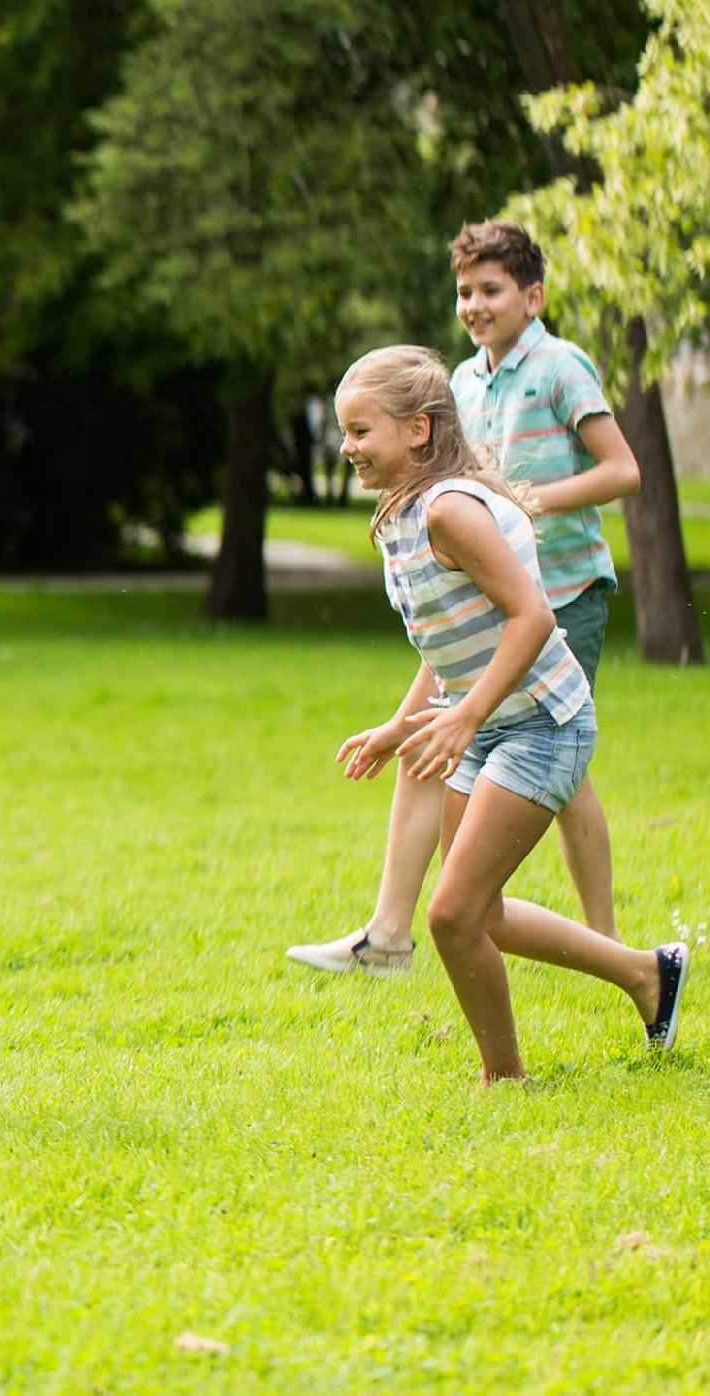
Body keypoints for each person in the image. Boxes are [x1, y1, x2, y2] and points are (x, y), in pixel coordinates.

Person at [289, 220, 641, 974]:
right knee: (450, 738)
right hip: (474, 589)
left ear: (533, 296)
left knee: (557, 762)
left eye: (491, 289)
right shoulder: (466, 381)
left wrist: (517, 505)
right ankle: (389, 931)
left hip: (559, 591)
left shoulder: (559, 367)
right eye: (463, 291)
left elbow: (623, 471)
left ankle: (612, 948)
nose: (474, 304)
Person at [328, 345, 683, 1081]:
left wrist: (464, 718)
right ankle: (647, 975)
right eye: (345, 430)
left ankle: (506, 1077)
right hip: (491, 725)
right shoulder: (405, 512)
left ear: (418, 430)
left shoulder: (451, 511)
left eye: (362, 430)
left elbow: (530, 618)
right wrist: (404, 725)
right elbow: (449, 637)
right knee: (478, 913)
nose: (346, 446)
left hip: (542, 724)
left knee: (451, 915)